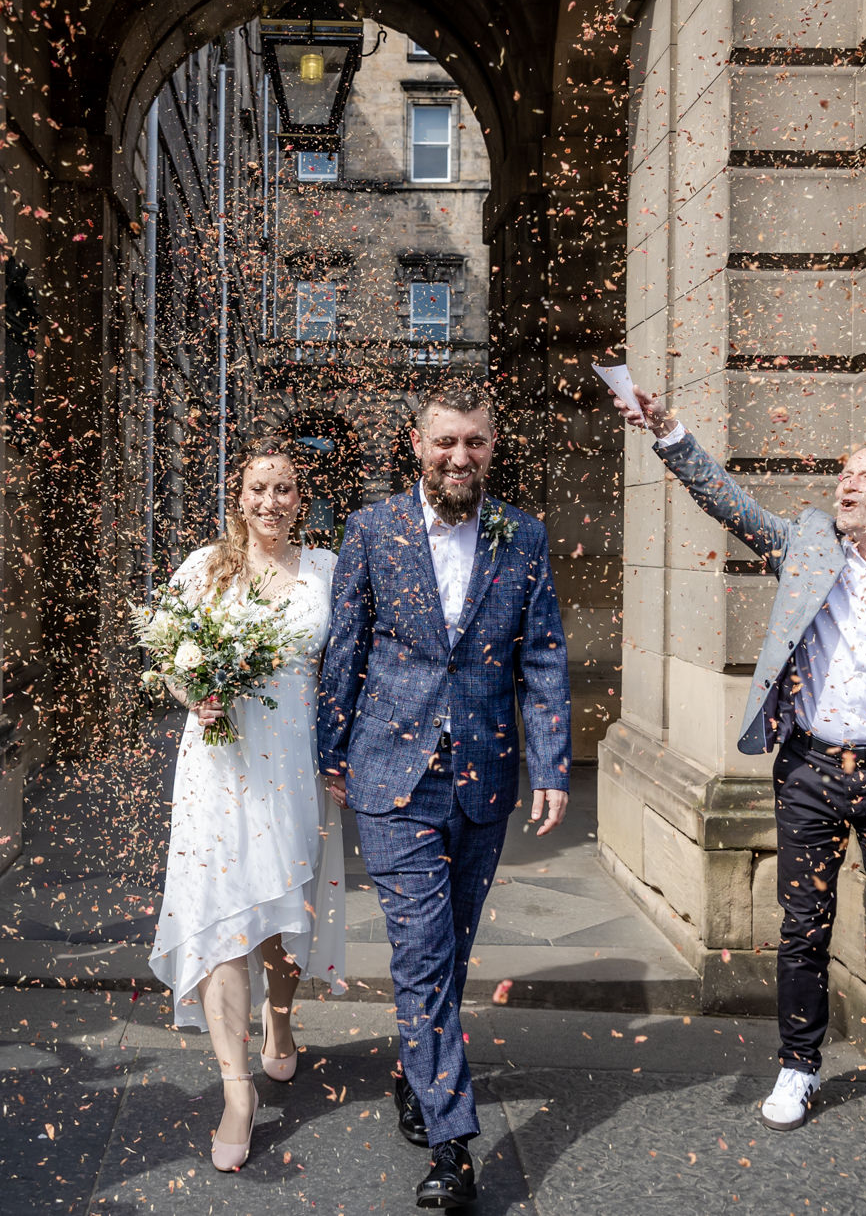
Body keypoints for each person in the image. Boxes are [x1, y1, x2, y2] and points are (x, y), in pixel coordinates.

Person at [616, 388, 866, 1144]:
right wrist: (669, 432)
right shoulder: (806, 543)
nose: (847, 483)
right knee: (803, 925)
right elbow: (729, 503)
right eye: (843, 473)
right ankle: (799, 1063)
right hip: (807, 767)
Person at [318, 384, 570, 1211]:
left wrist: (554, 768)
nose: (459, 457)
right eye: (445, 443)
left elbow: (541, 658)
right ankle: (455, 1146)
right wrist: (329, 749)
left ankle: (413, 1069)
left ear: (494, 446)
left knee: (451, 950)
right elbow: (347, 644)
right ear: (415, 444)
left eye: (475, 443)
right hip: (392, 774)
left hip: (485, 774)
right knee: (421, 954)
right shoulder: (371, 527)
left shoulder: (522, 535)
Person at [148, 437, 347, 1173]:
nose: (270, 502)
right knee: (222, 911)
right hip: (218, 762)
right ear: (238, 495)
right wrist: (190, 692)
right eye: (258, 489)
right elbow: (167, 654)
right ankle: (237, 1089)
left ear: (302, 498)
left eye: (285, 489)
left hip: (294, 760)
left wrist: (346, 752)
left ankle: (282, 1019)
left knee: (284, 910)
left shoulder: (326, 570)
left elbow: (346, 669)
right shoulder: (204, 567)